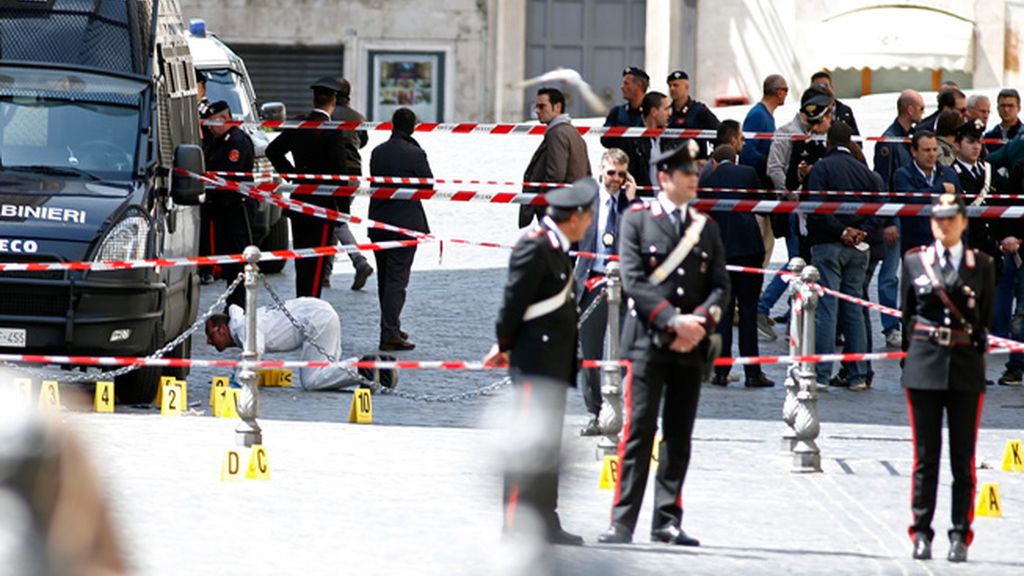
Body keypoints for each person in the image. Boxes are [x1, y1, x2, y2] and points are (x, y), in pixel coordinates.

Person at [597, 141, 729, 547]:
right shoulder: (638, 220)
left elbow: (721, 288)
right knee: (638, 432)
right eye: (687, 173)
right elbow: (634, 280)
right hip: (648, 343)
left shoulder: (705, 227)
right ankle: (622, 522)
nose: (694, 179)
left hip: (690, 345)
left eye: (695, 173)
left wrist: (699, 322)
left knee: (679, 434)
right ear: (664, 179)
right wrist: (673, 320)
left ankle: (667, 520)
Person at [484, 178, 598, 547]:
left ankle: (545, 519)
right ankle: (516, 523)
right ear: (575, 218)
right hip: (535, 362)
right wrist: (504, 344)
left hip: (553, 362)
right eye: (588, 216)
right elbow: (513, 302)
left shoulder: (555, 245)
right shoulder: (536, 246)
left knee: (547, 446)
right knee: (529, 444)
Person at [900, 193, 994, 563]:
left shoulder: (981, 264)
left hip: (965, 368)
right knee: (925, 458)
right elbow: (908, 315)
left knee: (962, 459)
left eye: (951, 219)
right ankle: (921, 532)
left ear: (964, 222)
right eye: (938, 219)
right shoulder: (914, 261)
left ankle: (960, 535)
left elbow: (983, 320)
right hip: (924, 367)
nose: (944, 225)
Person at [805, 122, 884, 391]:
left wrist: (842, 231)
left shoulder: (822, 168)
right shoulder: (866, 172)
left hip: (829, 244)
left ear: (827, 141)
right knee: (854, 308)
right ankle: (858, 375)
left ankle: (822, 375)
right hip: (858, 250)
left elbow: (816, 207)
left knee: (827, 309)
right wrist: (861, 231)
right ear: (850, 142)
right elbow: (878, 211)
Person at [756, 89, 832, 340]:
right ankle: (763, 307)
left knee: (801, 263)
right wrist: (791, 194)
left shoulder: (818, 135)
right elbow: (774, 168)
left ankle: (793, 316)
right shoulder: (787, 133)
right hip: (794, 211)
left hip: (810, 210)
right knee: (795, 263)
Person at [955, 119, 1024, 386]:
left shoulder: (988, 172)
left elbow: (999, 211)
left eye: (978, 142)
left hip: (988, 252)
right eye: (970, 142)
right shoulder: (951, 174)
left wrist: (1004, 238)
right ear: (958, 144)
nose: (975, 147)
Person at [265, 76, 347, 299]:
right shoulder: (332, 131)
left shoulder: (299, 124)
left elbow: (273, 150)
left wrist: (293, 176)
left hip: (300, 200)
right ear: (333, 102)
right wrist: (343, 209)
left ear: (313, 99)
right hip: (322, 204)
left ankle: (303, 300)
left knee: (302, 259)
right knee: (317, 262)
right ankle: (310, 304)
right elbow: (341, 174)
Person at [700, 144, 773, 388]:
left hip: (720, 252)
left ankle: (721, 371)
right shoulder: (747, 173)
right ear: (735, 158)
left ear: (715, 161)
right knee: (749, 311)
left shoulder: (707, 177)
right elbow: (759, 205)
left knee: (723, 313)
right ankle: (753, 372)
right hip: (748, 249)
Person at [574, 148, 636, 436]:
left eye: (621, 174)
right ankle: (595, 411)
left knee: (626, 349)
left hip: (625, 285)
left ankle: (619, 406)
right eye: (611, 173)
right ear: (601, 171)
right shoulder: (586, 202)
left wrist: (632, 202)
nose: (615, 179)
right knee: (591, 352)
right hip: (593, 282)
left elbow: (637, 239)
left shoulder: (630, 206)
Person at [205, 298, 391, 391]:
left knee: (312, 381)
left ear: (222, 329)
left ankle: (362, 368)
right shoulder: (243, 322)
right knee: (328, 373)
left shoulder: (242, 326)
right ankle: (379, 370)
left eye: (210, 335)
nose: (208, 342)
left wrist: (239, 381)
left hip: (316, 319)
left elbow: (255, 349)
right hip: (321, 311)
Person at [368, 108, 431, 351]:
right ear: (412, 126)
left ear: (392, 125)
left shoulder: (377, 151)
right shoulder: (415, 153)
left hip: (378, 222)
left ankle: (390, 326)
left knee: (384, 280)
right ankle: (390, 333)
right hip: (404, 225)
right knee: (396, 282)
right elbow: (428, 185)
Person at [873, 90, 924, 348]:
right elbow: (883, 184)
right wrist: (888, 220)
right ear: (910, 110)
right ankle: (890, 325)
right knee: (889, 275)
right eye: (921, 108)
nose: (923, 113)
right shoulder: (889, 141)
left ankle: (908, 322)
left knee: (910, 273)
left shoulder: (908, 139)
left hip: (910, 217)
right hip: (896, 217)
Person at [201, 101, 255, 310]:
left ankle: (239, 305)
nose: (209, 127)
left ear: (224, 119)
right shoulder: (218, 141)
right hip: (222, 210)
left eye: (212, 123)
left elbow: (227, 173)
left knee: (239, 261)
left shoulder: (236, 141)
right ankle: (233, 304)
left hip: (236, 209)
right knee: (230, 263)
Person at [324, 77, 375, 291]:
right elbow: (363, 141)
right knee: (334, 219)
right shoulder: (357, 116)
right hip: (354, 172)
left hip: (332, 173)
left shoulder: (328, 114)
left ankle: (359, 261)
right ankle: (325, 275)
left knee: (335, 221)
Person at [520, 87, 591, 227]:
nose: (537, 111)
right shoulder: (572, 132)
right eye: (536, 106)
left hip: (558, 211)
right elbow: (587, 172)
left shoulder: (556, 133)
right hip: (573, 209)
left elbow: (556, 176)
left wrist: (541, 203)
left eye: (542, 106)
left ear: (557, 107)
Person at [739, 74, 787, 265]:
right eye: (786, 90)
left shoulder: (766, 116)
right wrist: (771, 162)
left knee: (766, 244)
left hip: (764, 190)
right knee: (759, 246)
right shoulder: (758, 115)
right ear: (779, 91)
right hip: (757, 190)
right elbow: (747, 152)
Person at [893, 131, 961, 254]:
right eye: (927, 150)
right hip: (915, 244)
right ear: (914, 152)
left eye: (935, 150)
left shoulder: (949, 174)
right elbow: (913, 199)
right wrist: (940, 189)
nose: (932, 154)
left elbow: (960, 209)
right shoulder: (902, 175)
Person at [622, 91, 673, 189]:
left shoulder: (668, 137)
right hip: (643, 198)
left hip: (665, 197)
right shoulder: (633, 138)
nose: (669, 113)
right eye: (666, 109)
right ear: (654, 111)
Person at [666, 70, 719, 156]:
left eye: (676, 85)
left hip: (694, 164)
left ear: (686, 87)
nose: (672, 89)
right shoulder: (667, 112)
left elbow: (719, 135)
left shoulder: (699, 111)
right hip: (671, 164)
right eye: (670, 86)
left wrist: (711, 160)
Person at [600, 66, 649, 151]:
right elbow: (605, 140)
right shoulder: (617, 112)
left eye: (626, 84)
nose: (622, 87)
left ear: (638, 86)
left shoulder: (652, 113)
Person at [810, 70, 859, 134]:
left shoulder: (845, 111)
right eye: (818, 87)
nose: (822, 89)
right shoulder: (807, 112)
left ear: (832, 87)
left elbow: (855, 138)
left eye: (825, 85)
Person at [984, 88, 1022, 155]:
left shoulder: (1022, 135)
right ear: (998, 108)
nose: (1006, 110)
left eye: (1010, 106)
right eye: (1003, 106)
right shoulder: (989, 136)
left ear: (1018, 108)